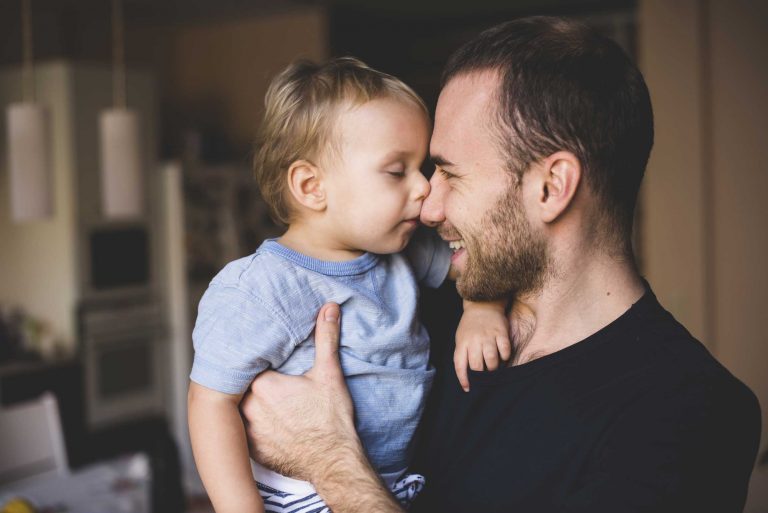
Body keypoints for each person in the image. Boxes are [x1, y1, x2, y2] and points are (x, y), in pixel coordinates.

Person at [240, 16, 763, 513]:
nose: (427, 207)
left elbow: (321, 449)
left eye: (450, 174)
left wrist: (332, 464)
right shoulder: (409, 315)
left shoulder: (691, 413)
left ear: (550, 187)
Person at [187, 57, 512, 513]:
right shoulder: (260, 287)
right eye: (397, 171)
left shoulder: (402, 251)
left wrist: (481, 308)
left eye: (421, 167)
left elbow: (480, 265)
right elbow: (209, 403)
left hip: (387, 488)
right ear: (311, 186)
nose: (424, 187)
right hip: (298, 495)